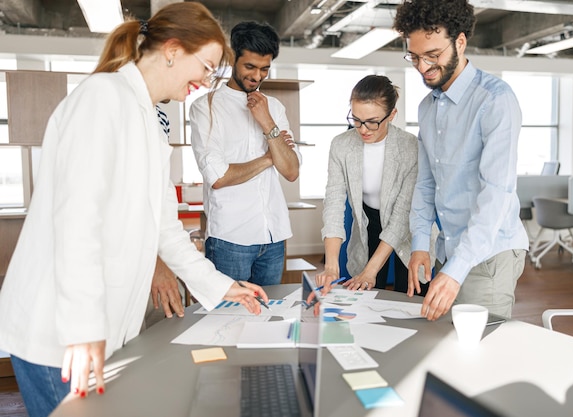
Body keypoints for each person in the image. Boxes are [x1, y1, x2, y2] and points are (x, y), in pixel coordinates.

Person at [0, 4, 269, 416]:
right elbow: (77, 221)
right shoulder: (102, 98)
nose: (207, 79)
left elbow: (167, 231)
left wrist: (221, 287)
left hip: (95, 330)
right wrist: (85, 330)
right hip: (60, 334)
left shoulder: (148, 119)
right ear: (174, 50)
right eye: (208, 66)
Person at [393, 0, 528, 321]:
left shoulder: (495, 100)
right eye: (415, 56)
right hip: (450, 250)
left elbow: (497, 192)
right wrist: (420, 244)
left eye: (433, 56)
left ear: (460, 42)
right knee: (447, 347)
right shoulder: (427, 107)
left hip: (489, 254)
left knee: (482, 354)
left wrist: (457, 269)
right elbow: (426, 184)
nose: (423, 67)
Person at [189, 21, 301, 286]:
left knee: (269, 317)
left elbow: (291, 170)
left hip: (274, 237)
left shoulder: (273, 107)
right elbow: (217, 176)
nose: (257, 76)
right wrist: (268, 157)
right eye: (249, 67)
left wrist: (267, 123)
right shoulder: (206, 108)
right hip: (230, 239)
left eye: (264, 69)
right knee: (230, 321)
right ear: (233, 59)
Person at [316, 75, 429, 295]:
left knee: (410, 296)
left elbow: (401, 216)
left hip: (410, 227)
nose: (363, 129)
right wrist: (330, 265)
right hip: (371, 222)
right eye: (356, 120)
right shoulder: (341, 145)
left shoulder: (410, 147)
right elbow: (334, 203)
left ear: (392, 115)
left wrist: (371, 270)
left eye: (372, 121)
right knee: (368, 291)